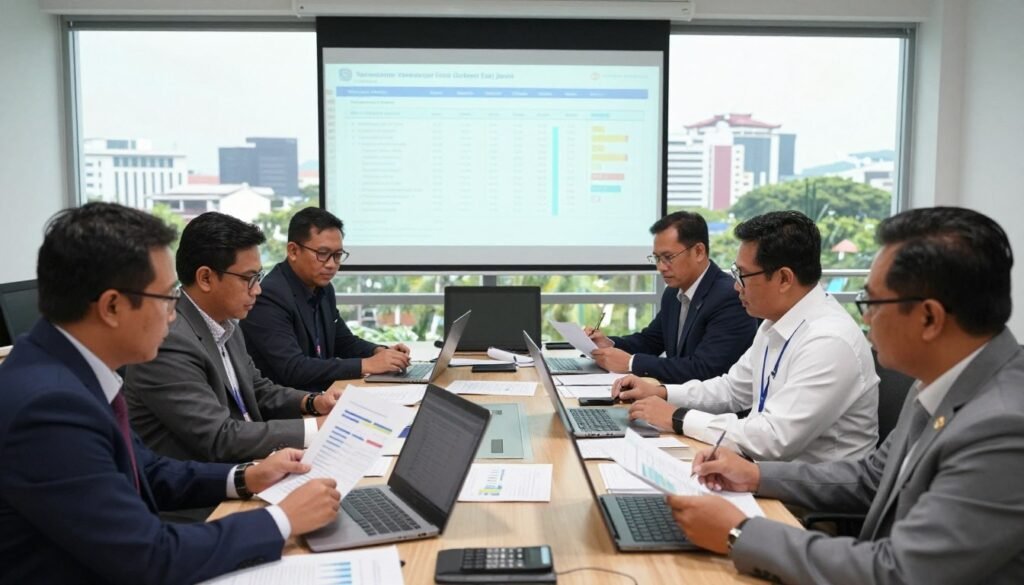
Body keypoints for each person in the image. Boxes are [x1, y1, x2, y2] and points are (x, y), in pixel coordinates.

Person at [670, 207, 1024, 584]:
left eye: (872, 303)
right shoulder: (943, 381)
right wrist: (754, 475)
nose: (865, 318)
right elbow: (872, 478)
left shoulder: (1001, 426)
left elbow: (901, 573)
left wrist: (740, 532)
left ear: (929, 318)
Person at [0, 203, 340, 584]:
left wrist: (246, 477)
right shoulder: (47, 407)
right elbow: (148, 557)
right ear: (112, 306)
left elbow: (148, 470)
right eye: (165, 299)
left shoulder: (69, 370)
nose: (174, 314)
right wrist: (282, 519)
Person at [614, 211, 878, 463]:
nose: (736, 286)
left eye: (743, 275)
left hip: (805, 499)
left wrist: (678, 418)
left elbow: (774, 439)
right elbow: (731, 390)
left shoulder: (829, 341)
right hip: (761, 471)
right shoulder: (774, 322)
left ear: (784, 278)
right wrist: (661, 392)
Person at [125, 212, 343, 462]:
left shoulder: (227, 323)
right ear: (206, 278)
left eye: (258, 277)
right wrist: (316, 428)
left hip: (255, 462)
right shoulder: (170, 341)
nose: (258, 290)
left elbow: (257, 389)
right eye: (248, 279)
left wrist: (314, 402)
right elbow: (219, 436)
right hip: (209, 489)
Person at [240, 207, 410, 392]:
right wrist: (367, 365)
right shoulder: (269, 296)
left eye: (337, 255)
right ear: (293, 251)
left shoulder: (323, 289)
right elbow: (293, 369)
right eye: (322, 253)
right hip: (288, 408)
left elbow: (343, 341)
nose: (331, 264)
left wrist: (379, 351)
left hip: (321, 396)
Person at [586, 211, 757, 382]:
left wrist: (632, 363)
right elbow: (650, 341)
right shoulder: (673, 292)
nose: (660, 267)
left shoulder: (730, 297)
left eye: (668, 257)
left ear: (698, 252)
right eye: (657, 258)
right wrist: (609, 344)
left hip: (711, 407)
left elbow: (705, 369)